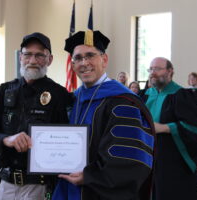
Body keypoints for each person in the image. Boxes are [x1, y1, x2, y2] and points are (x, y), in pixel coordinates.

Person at [52, 30, 155, 200]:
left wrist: (89, 176)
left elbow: (130, 159)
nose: (84, 63)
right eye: (78, 58)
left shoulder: (122, 102)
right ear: (72, 64)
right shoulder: (75, 99)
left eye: (90, 55)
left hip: (102, 192)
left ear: (104, 60)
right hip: (68, 187)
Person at [0, 32, 73, 200]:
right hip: (5, 183)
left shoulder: (59, 95)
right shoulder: (4, 91)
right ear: (21, 57)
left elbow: (67, 142)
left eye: (39, 55)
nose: (33, 61)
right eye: (27, 54)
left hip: (40, 186)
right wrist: (7, 139)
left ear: (49, 59)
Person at [143, 57, 197, 200]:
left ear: (170, 71)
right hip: (145, 160)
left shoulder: (182, 95)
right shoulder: (144, 96)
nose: (153, 73)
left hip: (172, 164)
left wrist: (166, 128)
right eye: (151, 69)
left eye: (158, 69)